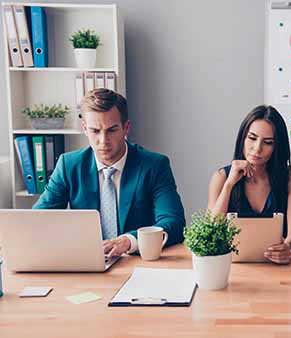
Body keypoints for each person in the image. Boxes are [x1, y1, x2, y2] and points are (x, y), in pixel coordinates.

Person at [33, 88, 185, 257]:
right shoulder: (68, 165)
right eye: (95, 131)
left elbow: (174, 223)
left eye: (112, 130)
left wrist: (129, 241)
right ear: (84, 128)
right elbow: (38, 219)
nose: (103, 141)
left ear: (126, 128)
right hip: (85, 262)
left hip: (137, 262)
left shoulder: (154, 166)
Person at [207, 105, 291, 264]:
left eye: (268, 142)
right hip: (232, 268)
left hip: (278, 268)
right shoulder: (221, 177)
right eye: (252, 138)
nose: (257, 149)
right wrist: (229, 185)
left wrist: (288, 246)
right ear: (243, 138)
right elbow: (210, 232)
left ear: (277, 147)